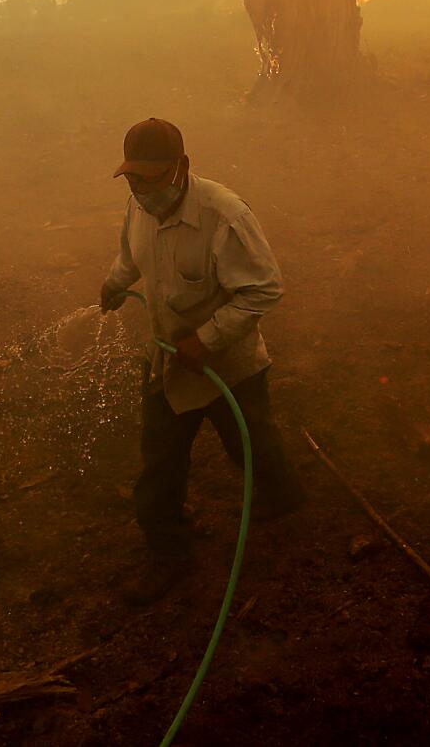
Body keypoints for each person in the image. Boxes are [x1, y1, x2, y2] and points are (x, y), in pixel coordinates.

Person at [99, 117, 305, 606]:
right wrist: (114, 283)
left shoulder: (224, 216)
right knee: (160, 462)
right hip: (167, 359)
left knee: (250, 441)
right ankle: (168, 552)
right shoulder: (138, 207)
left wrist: (209, 339)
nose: (141, 188)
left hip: (228, 366)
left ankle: (284, 497)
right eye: (132, 177)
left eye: (150, 176)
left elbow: (264, 289)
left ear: (182, 167)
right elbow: (131, 256)